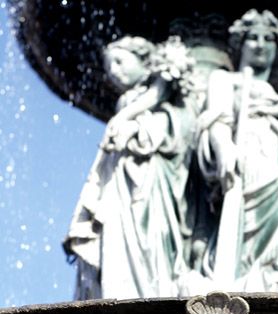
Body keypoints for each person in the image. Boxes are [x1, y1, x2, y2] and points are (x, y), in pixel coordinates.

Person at [192, 9, 278, 293]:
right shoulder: (224, 80)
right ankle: (230, 286)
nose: (260, 45)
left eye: (268, 39)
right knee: (237, 232)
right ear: (239, 45)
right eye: (252, 38)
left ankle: (266, 286)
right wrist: (223, 147)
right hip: (245, 163)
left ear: (277, 48)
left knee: (276, 246)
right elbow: (215, 119)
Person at [64, 36, 198, 299]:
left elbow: (182, 126)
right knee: (117, 238)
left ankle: (149, 295)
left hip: (152, 183)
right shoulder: (129, 100)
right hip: (121, 182)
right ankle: (124, 297)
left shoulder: (168, 96)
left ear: (145, 61)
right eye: (109, 66)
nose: (114, 71)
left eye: (120, 61)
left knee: (149, 241)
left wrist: (136, 127)